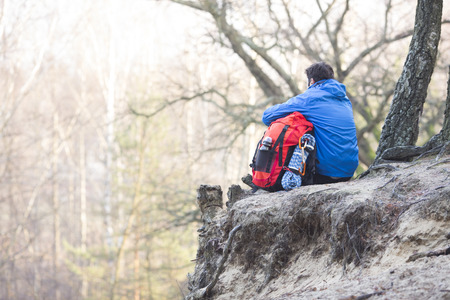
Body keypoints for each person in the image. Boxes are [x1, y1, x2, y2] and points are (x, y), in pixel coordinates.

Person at [262, 62, 358, 184]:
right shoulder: (345, 99)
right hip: (349, 170)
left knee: (299, 126)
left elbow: (267, 116)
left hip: (325, 173)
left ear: (311, 81)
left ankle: (283, 178)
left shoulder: (309, 98)